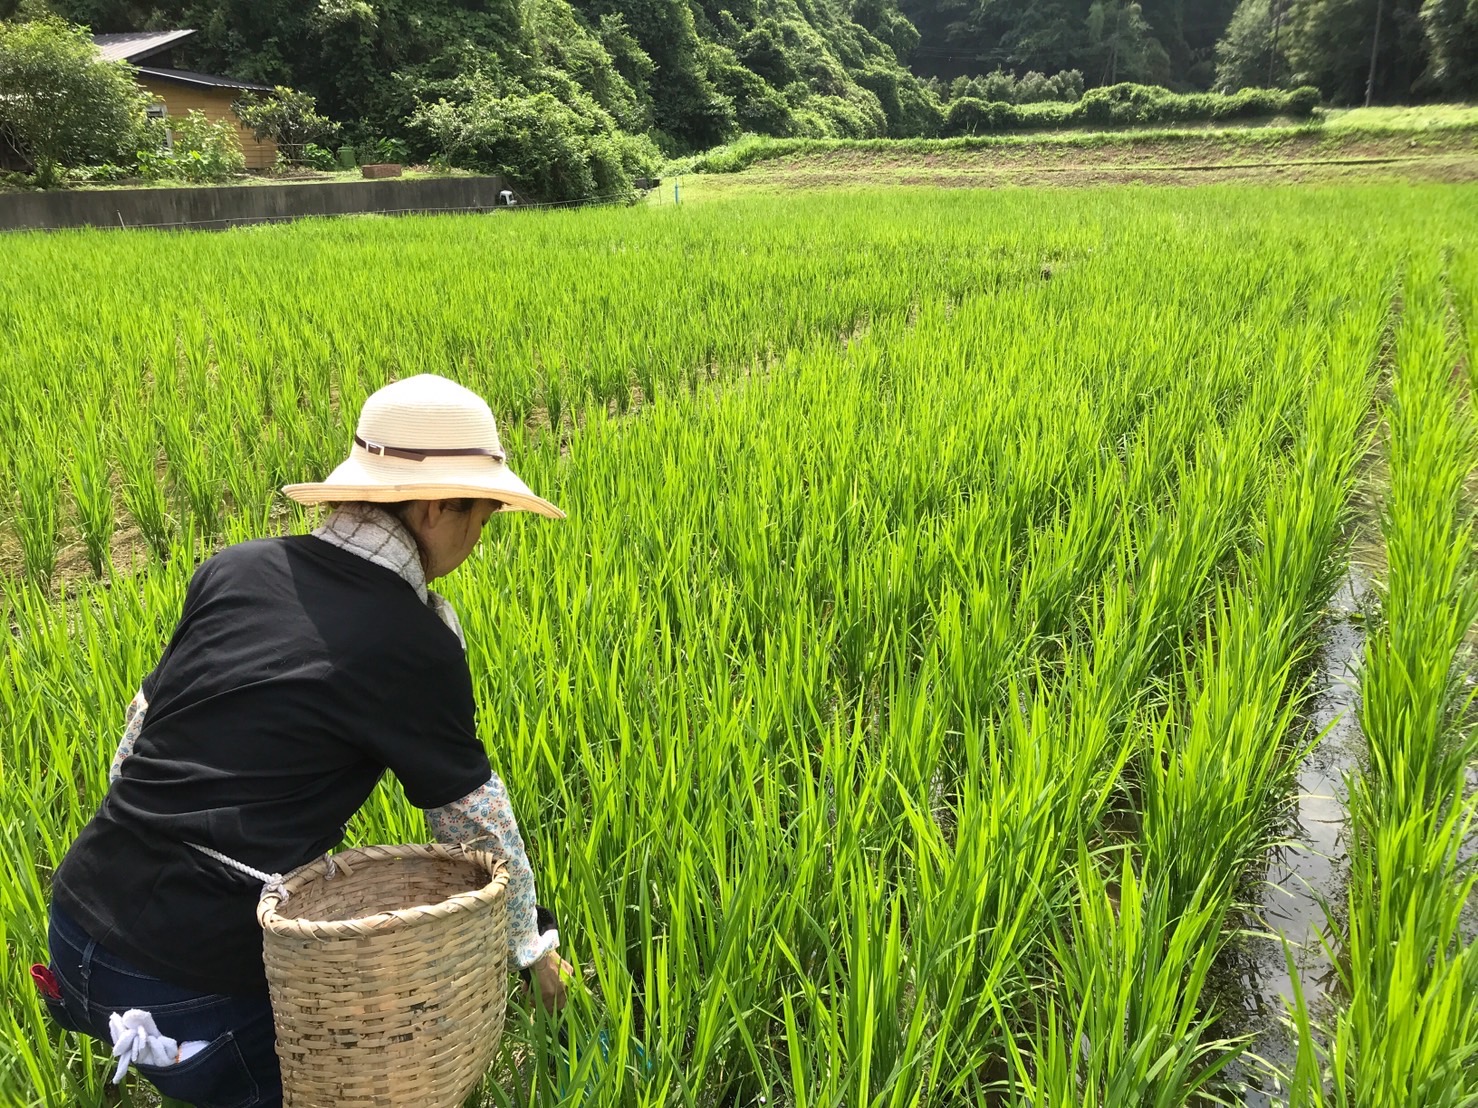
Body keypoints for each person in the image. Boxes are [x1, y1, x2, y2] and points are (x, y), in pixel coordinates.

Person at [37, 374, 572, 1108]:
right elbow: (475, 820)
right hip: (190, 984)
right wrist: (532, 949)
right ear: (434, 506)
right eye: (482, 516)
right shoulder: (414, 641)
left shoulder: (235, 568)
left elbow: (133, 745)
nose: (479, 538)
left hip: (74, 921)